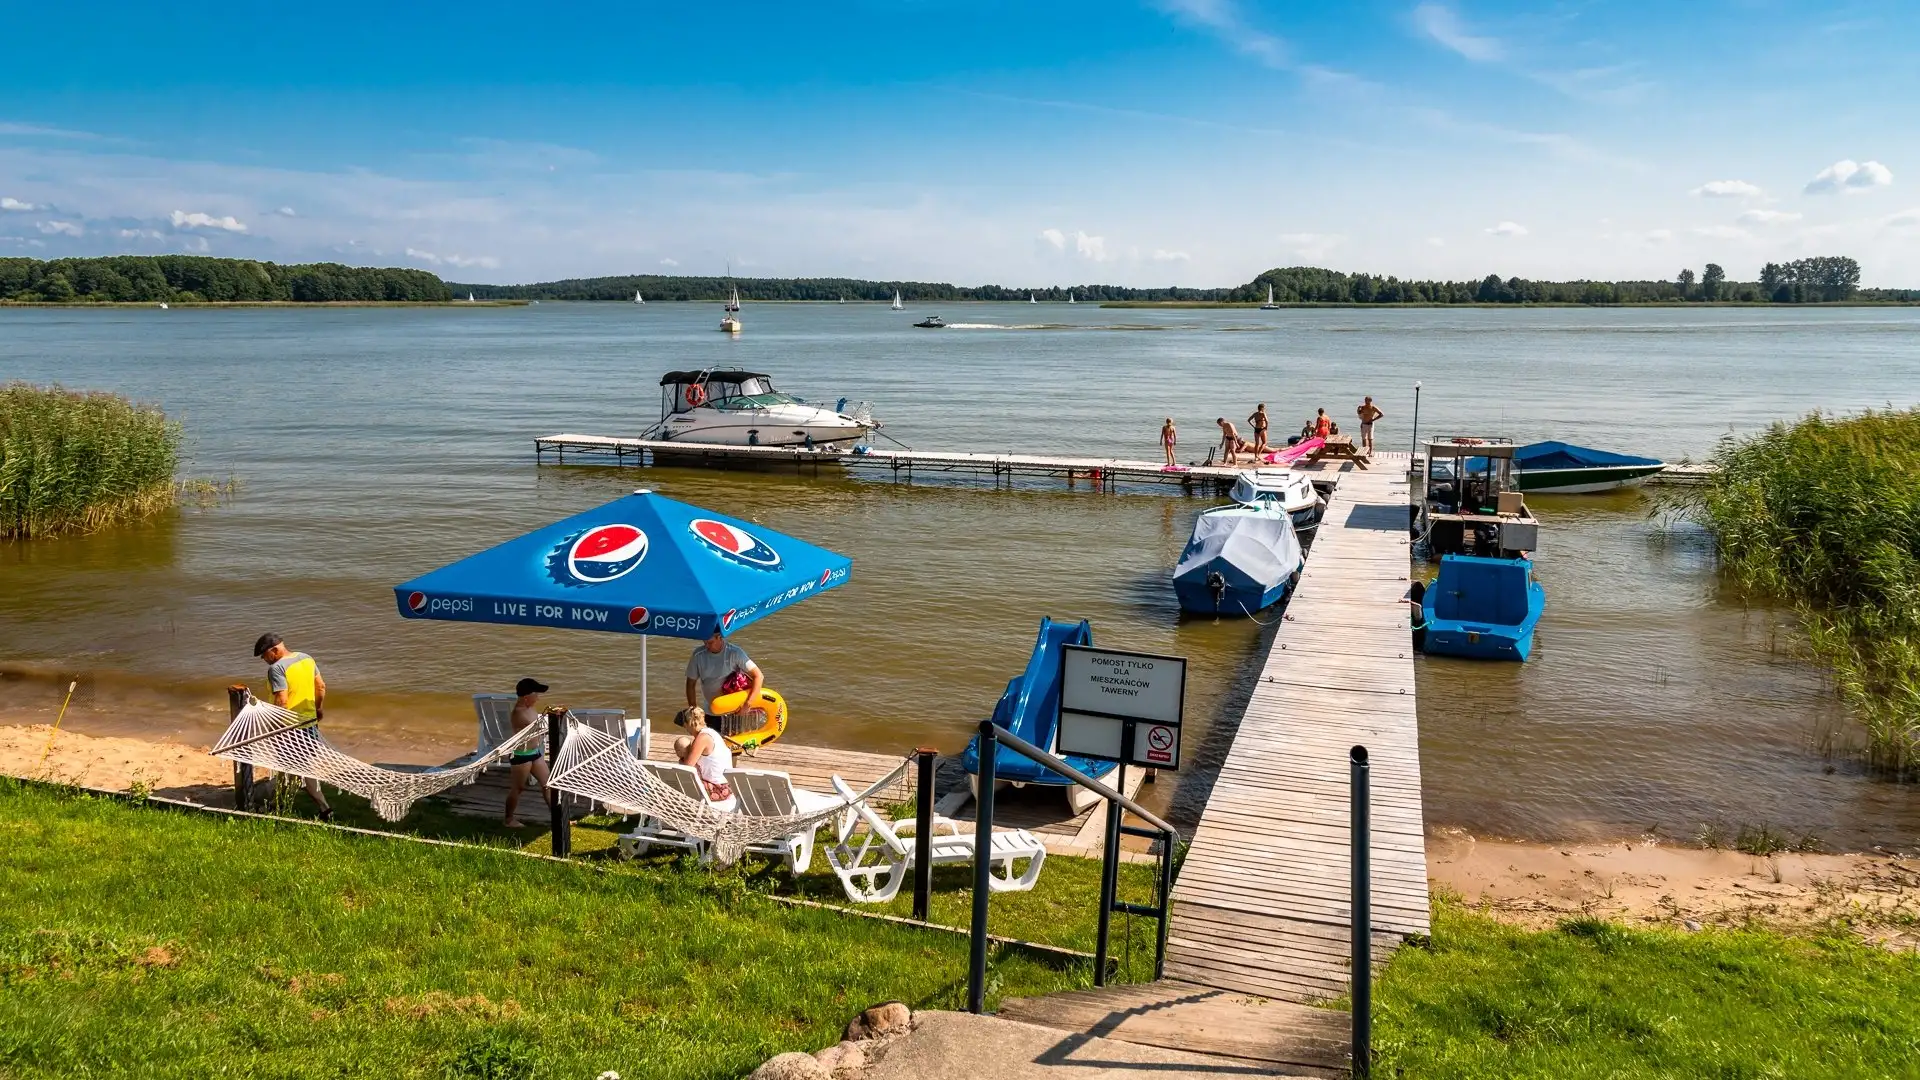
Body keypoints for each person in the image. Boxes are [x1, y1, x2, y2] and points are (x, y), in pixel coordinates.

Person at [252, 633, 332, 821]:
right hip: (309, 723)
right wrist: (318, 709)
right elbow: (321, 687)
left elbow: (282, 700)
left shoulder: (276, 669)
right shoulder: (306, 658)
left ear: (274, 650)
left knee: (300, 769)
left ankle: (325, 809)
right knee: (292, 767)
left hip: (289, 729)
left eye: (264, 655)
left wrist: (276, 727)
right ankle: (277, 804)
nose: (264, 660)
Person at [502, 677, 553, 828]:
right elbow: (536, 729)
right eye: (535, 695)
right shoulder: (519, 714)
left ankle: (557, 817)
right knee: (518, 788)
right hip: (521, 755)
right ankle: (508, 820)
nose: (538, 698)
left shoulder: (530, 708)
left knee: (548, 784)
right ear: (526, 697)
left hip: (535, 752)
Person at [673, 706, 737, 810]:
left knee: (674, 780)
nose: (686, 729)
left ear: (689, 724)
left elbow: (686, 769)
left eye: (685, 726)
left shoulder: (702, 738)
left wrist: (682, 758)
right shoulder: (712, 733)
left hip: (718, 790)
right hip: (726, 787)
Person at [686, 629, 762, 714]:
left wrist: (748, 703)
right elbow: (690, 683)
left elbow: (758, 676)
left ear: (719, 637)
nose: (707, 646)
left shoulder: (735, 652)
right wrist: (693, 709)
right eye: (704, 642)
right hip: (711, 710)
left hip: (734, 710)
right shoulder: (698, 655)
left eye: (710, 643)